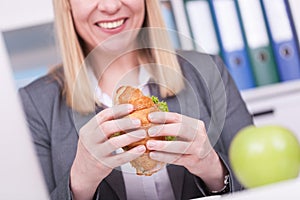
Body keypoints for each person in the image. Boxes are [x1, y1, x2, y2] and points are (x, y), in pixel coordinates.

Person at [19, 0, 253, 199]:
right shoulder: (34, 105)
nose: (111, 6)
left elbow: (264, 184)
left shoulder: (208, 71)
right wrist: (80, 180)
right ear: (67, 4)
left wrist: (213, 169)